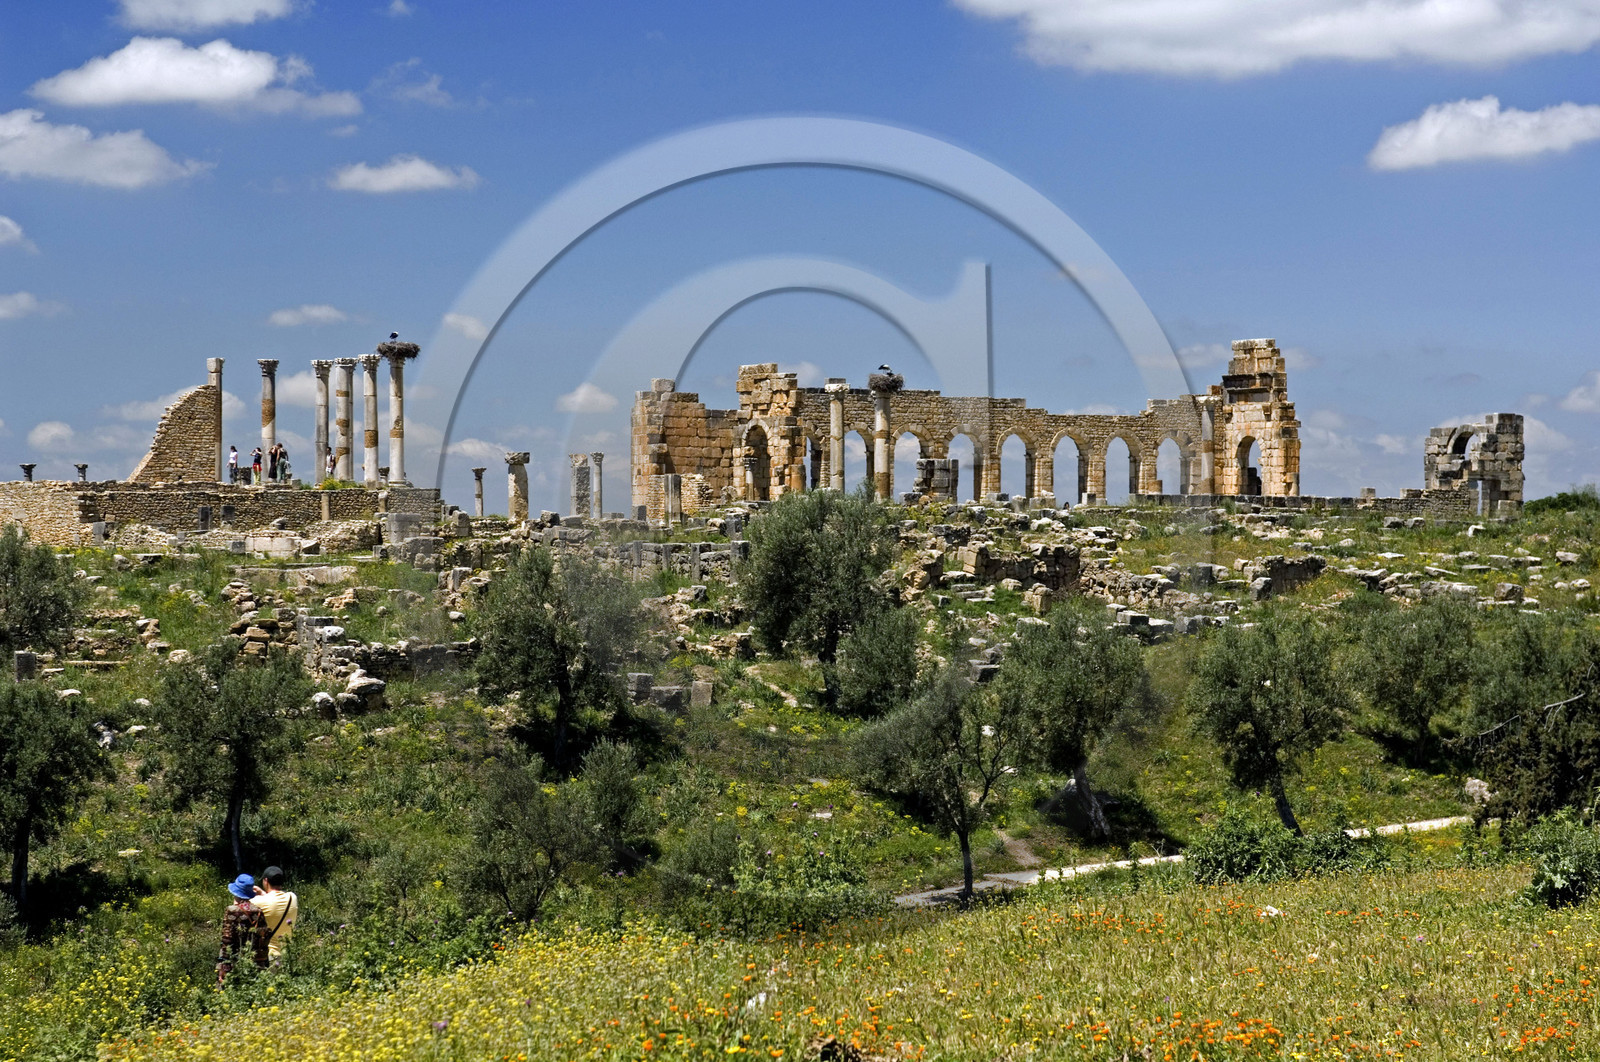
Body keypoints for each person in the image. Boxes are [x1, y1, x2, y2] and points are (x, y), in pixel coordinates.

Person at [217, 873, 268, 984]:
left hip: (235, 959)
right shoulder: (259, 911)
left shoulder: (231, 910)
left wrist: (223, 966)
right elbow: (263, 935)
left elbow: (227, 938)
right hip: (254, 960)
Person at [252, 865, 298, 965]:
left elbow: (238, 908)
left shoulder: (258, 901)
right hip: (288, 954)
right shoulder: (292, 897)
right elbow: (276, 899)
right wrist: (264, 893)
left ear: (265, 880)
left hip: (269, 955)